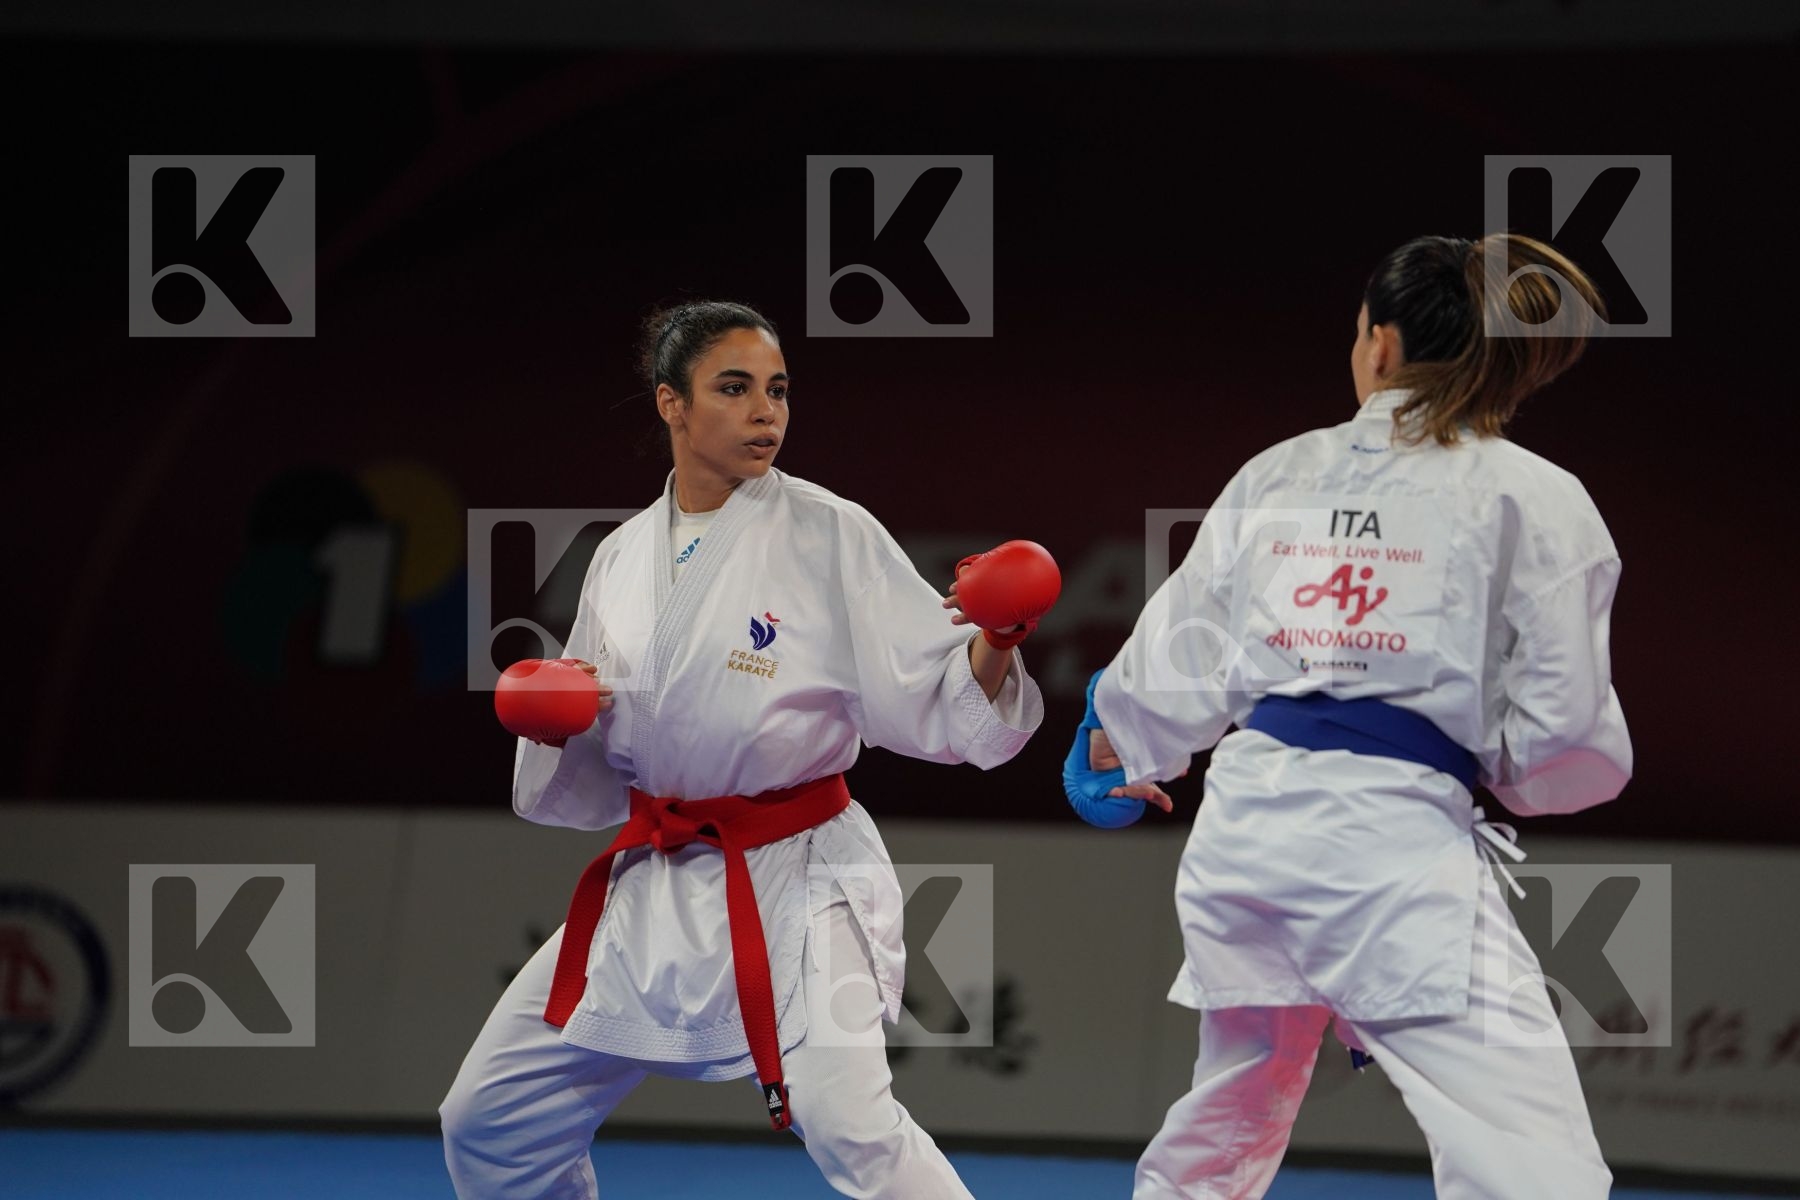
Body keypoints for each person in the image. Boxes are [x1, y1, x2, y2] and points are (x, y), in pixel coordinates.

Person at [440, 300, 1055, 1200]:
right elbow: (609, 745)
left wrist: (999, 633)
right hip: (658, 874)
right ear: (671, 406)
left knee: (851, 1122)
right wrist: (557, 716)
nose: (766, 410)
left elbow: (937, 689)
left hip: (800, 875)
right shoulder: (619, 556)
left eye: (777, 389)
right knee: (489, 1118)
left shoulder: (829, 531)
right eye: (734, 388)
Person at [1065, 234, 1631, 1199]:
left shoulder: (1278, 473)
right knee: (1534, 1162)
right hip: (1388, 849)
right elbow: (1565, 732)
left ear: (1380, 343)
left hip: (1245, 837)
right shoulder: (1535, 495)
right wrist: (1494, 769)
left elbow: (1183, 653)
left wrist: (1115, 751)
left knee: (1229, 1118)